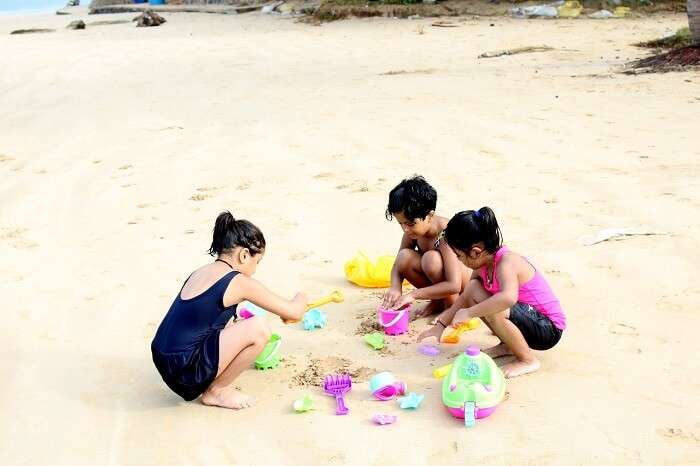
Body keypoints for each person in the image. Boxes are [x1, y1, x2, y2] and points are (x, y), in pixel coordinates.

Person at [151, 211, 307, 409]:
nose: (256, 269)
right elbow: (294, 312)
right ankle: (217, 391)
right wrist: (303, 297)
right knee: (258, 329)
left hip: (163, 357)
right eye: (257, 262)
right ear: (244, 255)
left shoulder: (200, 272)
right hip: (185, 371)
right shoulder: (238, 282)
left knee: (234, 323)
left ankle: (211, 383)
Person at [418, 207, 566, 378]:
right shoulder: (482, 264)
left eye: (459, 256)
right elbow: (468, 295)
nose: (459, 261)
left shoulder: (506, 262)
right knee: (474, 289)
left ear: (475, 252)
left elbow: (508, 298)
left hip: (548, 329)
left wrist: (469, 313)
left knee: (496, 306)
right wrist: (441, 325)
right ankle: (508, 344)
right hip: (527, 321)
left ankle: (527, 360)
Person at [381, 176, 468, 318]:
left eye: (410, 223)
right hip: (443, 285)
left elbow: (454, 285)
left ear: (429, 215)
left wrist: (414, 295)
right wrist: (396, 288)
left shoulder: (446, 233)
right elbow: (398, 265)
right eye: (401, 224)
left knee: (431, 259)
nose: (405, 229)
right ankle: (439, 301)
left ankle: (453, 307)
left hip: (464, 288)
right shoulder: (413, 232)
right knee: (404, 257)